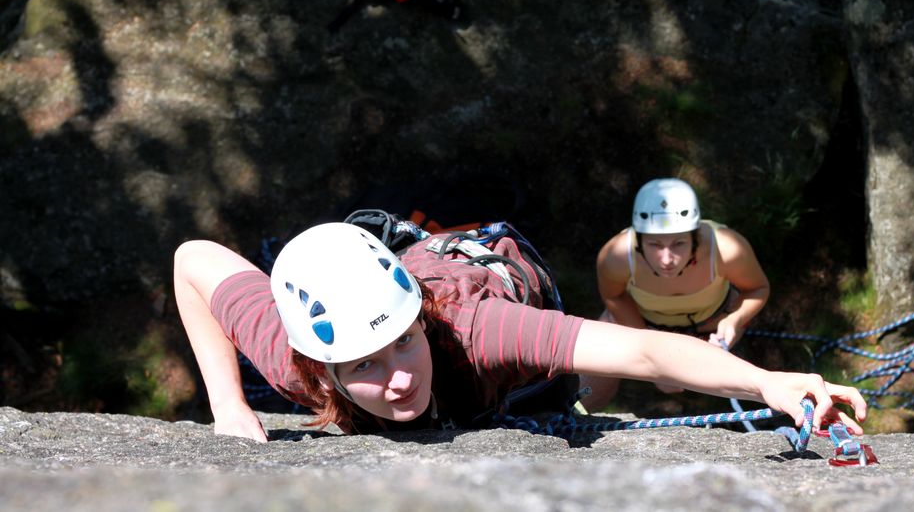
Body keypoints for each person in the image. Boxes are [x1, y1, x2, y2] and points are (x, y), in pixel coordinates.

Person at [173, 220, 865, 442]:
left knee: (565, 392)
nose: (402, 376)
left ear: (419, 320)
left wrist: (767, 380)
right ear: (323, 371)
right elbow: (192, 261)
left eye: (404, 342)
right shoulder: (296, 356)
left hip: (490, 276)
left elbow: (647, 348)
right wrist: (228, 403)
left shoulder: (482, 331)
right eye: (368, 366)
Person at [580, 178, 771, 408]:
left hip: (714, 325)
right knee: (593, 376)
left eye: (679, 243)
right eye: (655, 245)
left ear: (695, 237)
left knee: (719, 381)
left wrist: (735, 320)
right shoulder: (617, 257)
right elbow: (614, 296)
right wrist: (651, 358)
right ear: (638, 241)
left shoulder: (726, 249)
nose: (667, 259)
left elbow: (757, 288)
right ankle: (575, 418)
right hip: (644, 324)